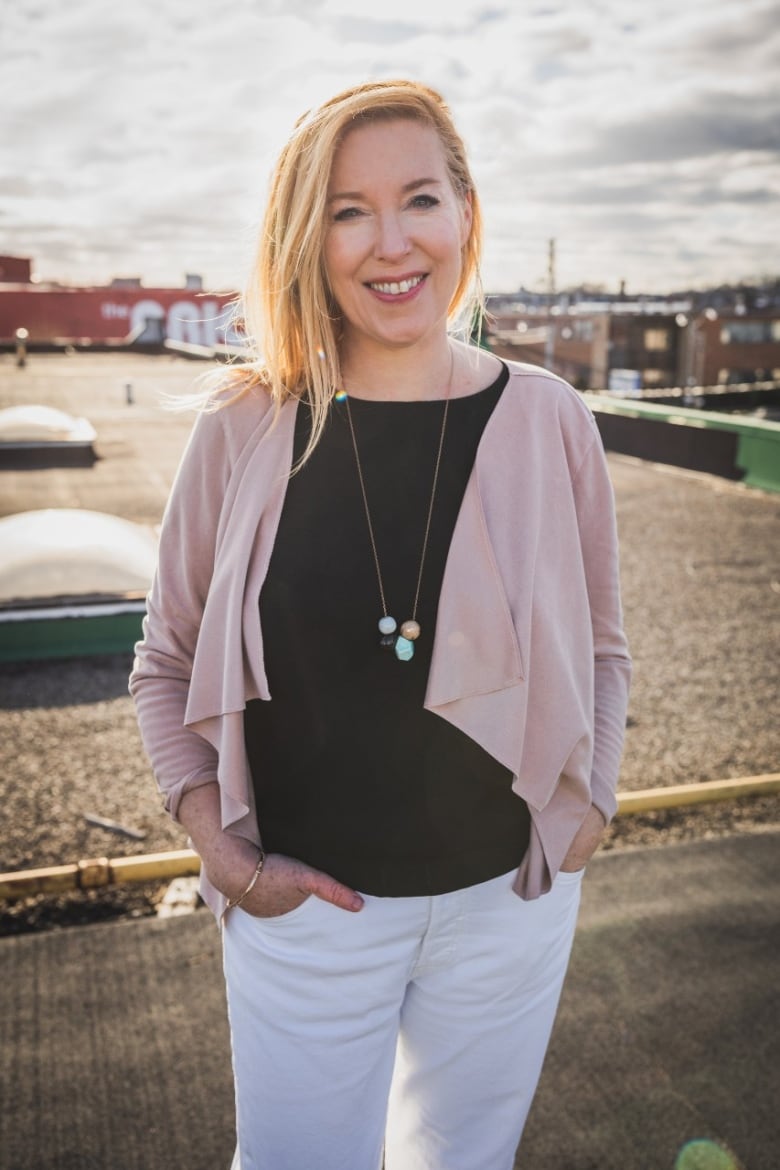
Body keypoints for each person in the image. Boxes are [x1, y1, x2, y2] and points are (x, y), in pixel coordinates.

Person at [129, 79, 631, 1170]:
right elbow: (163, 662)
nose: (390, 242)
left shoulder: (550, 419)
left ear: (466, 216)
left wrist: (591, 799)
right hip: (308, 915)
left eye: (418, 200)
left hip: (510, 903)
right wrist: (223, 852)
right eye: (348, 210)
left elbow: (600, 647)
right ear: (306, 238)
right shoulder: (244, 427)